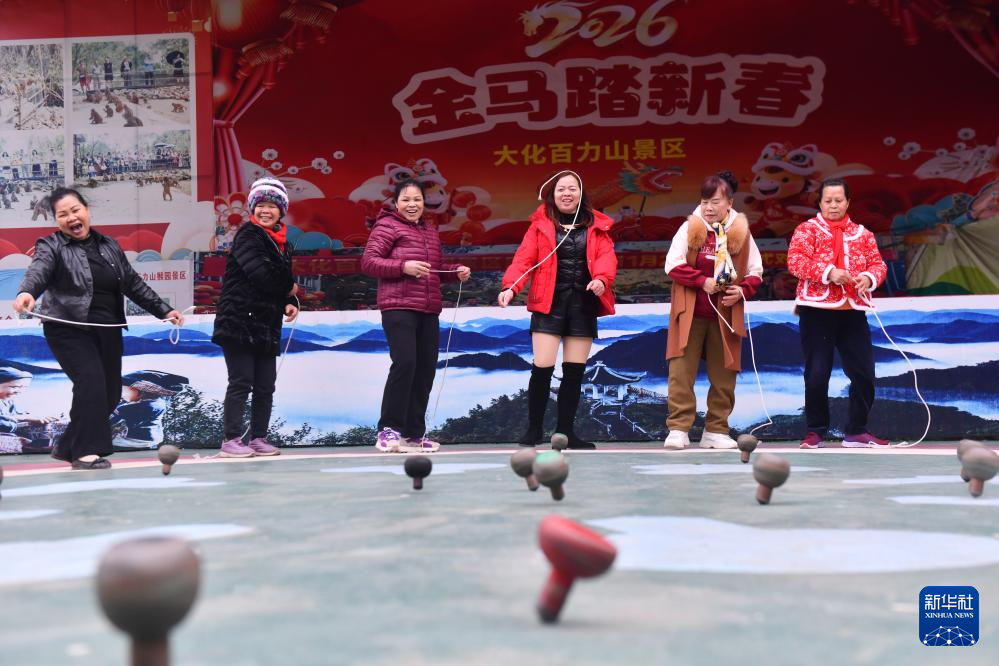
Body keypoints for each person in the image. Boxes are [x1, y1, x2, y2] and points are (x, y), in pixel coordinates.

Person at [12, 188, 183, 469]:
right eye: (63, 214)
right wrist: (27, 292)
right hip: (68, 328)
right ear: (56, 221)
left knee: (111, 393)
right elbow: (38, 271)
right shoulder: (50, 245)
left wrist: (164, 310)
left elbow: (132, 282)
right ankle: (84, 452)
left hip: (107, 329)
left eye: (75, 210)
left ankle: (68, 445)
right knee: (90, 382)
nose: (71, 218)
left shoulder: (109, 245)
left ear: (87, 211)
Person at [498, 171, 618, 450]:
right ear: (552, 195)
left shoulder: (597, 225)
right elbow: (523, 260)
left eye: (572, 188)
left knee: (574, 372)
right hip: (548, 304)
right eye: (561, 189)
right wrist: (510, 287)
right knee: (542, 369)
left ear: (581, 193)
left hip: (583, 304)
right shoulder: (540, 226)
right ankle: (534, 430)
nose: (567, 193)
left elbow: (607, 258)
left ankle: (565, 432)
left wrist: (602, 280)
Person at [361, 179, 471, 453]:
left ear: (424, 203)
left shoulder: (429, 230)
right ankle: (388, 430)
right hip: (398, 306)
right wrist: (403, 266)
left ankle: (413, 434)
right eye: (406, 200)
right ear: (396, 203)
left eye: (417, 200)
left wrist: (455, 271)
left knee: (424, 369)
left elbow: (434, 269)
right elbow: (369, 262)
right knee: (405, 363)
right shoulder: (386, 226)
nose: (412, 205)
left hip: (428, 309)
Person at [663, 172, 763, 450]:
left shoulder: (741, 231)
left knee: (724, 374)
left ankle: (716, 430)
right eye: (704, 201)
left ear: (729, 203)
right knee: (681, 371)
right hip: (690, 313)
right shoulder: (689, 228)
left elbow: (755, 271)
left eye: (715, 202)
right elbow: (672, 264)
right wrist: (701, 281)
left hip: (726, 315)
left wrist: (742, 290)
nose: (708, 208)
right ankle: (678, 428)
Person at [787, 178, 889, 448]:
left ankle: (857, 431)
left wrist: (868, 278)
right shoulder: (807, 230)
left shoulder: (863, 234)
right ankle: (815, 431)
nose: (833, 205)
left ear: (848, 202)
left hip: (853, 311)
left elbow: (878, 265)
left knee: (864, 372)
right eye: (828, 200)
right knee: (817, 373)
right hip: (816, 311)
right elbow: (795, 262)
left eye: (838, 200)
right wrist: (829, 272)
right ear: (820, 203)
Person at [212, 178, 299, 457]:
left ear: (281, 210)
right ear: (252, 208)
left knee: (265, 386)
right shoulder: (248, 235)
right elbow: (261, 274)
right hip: (238, 321)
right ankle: (231, 440)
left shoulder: (283, 243)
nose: (266, 211)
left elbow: (280, 280)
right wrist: (289, 288)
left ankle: (259, 438)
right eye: (261, 205)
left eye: (272, 206)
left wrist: (289, 302)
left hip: (266, 323)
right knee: (241, 382)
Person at [110, 370, 188, 449]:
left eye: (123, 390)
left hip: (134, 442)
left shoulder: (143, 406)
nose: (121, 394)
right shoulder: (158, 403)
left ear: (140, 390)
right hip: (150, 442)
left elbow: (112, 421)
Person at [0, 367, 58, 454]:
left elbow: (15, 414)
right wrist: (23, 418)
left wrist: (36, 416)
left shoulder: (8, 401)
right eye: (15, 387)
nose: (18, 391)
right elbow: (4, 424)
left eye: (23, 388)